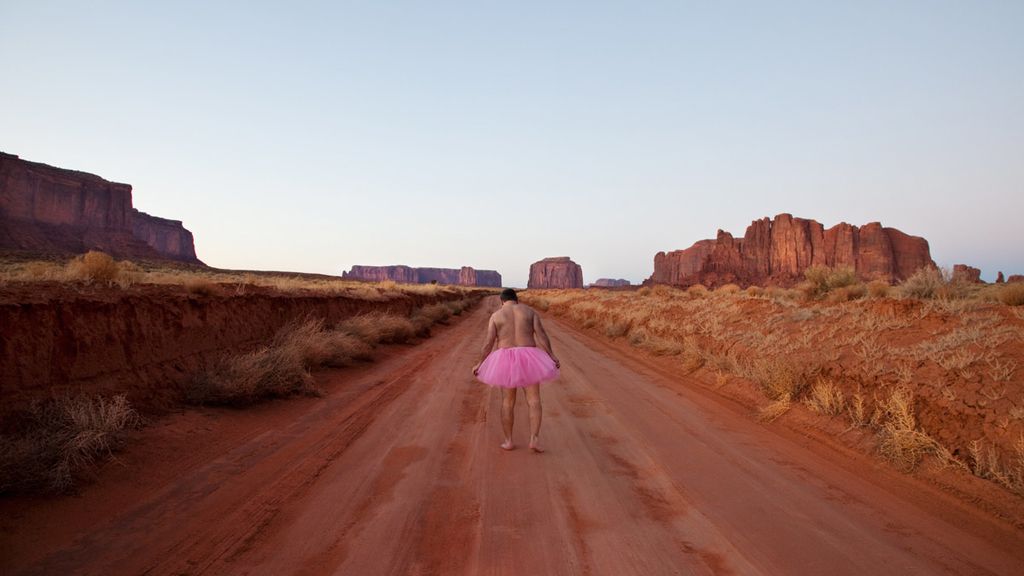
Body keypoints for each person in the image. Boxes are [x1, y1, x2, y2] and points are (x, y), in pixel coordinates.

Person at [472, 288, 560, 452]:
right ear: (516, 300)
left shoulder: (496, 316)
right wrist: (552, 356)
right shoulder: (529, 312)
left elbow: (488, 343)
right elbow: (542, 336)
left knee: (507, 402)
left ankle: (508, 441)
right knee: (534, 401)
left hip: (506, 358)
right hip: (529, 357)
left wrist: (479, 363)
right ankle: (534, 440)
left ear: (502, 300)